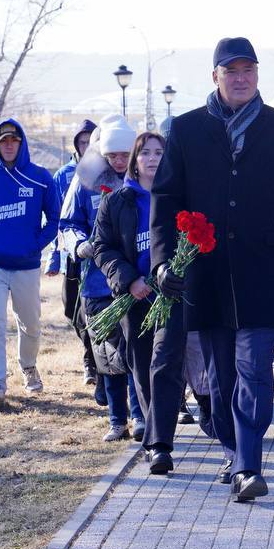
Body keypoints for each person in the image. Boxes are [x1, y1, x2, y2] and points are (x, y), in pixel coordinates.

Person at [152, 36, 274, 503]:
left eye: (248, 70)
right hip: (205, 274)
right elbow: (165, 199)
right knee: (221, 376)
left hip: (262, 271)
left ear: (257, 75)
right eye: (232, 71)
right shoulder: (186, 129)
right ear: (216, 77)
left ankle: (249, 464)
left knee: (255, 369)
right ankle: (231, 449)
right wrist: (162, 262)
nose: (241, 78)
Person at [95, 130, 181, 472]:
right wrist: (130, 280)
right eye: (145, 152)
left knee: (165, 363)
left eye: (159, 152)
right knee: (142, 366)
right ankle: (154, 435)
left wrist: (175, 273)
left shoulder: (179, 196)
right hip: (135, 298)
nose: (152, 158)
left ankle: (159, 444)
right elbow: (102, 248)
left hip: (171, 296)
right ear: (135, 159)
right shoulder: (116, 201)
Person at [0, 119, 61, 409]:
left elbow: (54, 218)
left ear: (21, 143)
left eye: (13, 140)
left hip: (26, 266)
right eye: (3, 140)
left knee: (30, 324)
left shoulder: (40, 176)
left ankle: (28, 365)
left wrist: (35, 244)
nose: (8, 145)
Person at [61, 115, 145, 442]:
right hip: (97, 282)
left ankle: (140, 416)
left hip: (134, 281)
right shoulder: (86, 180)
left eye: (125, 155)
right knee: (108, 354)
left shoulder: (142, 178)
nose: (120, 161)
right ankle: (116, 419)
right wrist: (78, 244)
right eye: (113, 156)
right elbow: (68, 222)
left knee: (136, 351)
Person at [47, 120, 99, 387]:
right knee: (72, 310)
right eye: (82, 141)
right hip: (71, 253)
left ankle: (92, 359)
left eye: (91, 140)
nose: (87, 145)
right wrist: (55, 256)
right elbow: (60, 219)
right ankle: (90, 348)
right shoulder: (63, 175)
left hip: (97, 255)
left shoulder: (105, 172)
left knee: (89, 308)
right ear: (76, 145)